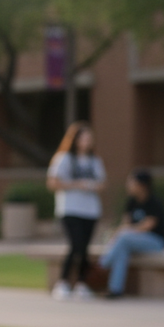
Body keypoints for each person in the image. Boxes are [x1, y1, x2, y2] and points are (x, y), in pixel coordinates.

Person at [46, 121, 106, 300]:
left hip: (91, 210)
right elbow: (53, 183)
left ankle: (82, 284)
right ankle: (63, 282)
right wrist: (76, 184)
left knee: (85, 248)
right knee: (76, 245)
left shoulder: (95, 161)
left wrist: (91, 186)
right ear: (75, 139)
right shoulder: (63, 159)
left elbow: (103, 184)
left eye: (89, 137)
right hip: (70, 209)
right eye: (83, 137)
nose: (87, 141)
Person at [99, 169, 164, 299]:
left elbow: (148, 225)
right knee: (122, 249)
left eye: (131, 182)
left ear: (142, 185)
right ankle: (115, 290)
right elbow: (125, 224)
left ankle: (103, 263)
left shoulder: (154, 202)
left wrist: (124, 233)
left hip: (156, 242)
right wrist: (114, 236)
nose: (128, 185)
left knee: (124, 238)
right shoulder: (131, 202)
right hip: (132, 240)